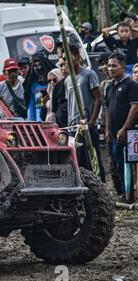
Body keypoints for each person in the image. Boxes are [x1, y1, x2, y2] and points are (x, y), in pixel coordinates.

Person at [64, 44, 105, 181]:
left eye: (68, 57)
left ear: (76, 56)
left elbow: (98, 99)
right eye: (63, 58)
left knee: (94, 157)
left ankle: (101, 185)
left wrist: (92, 121)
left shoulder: (88, 74)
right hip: (73, 127)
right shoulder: (68, 80)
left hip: (86, 124)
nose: (66, 61)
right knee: (78, 159)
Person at [105, 53, 138, 201]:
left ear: (123, 67)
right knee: (115, 164)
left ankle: (129, 194)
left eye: (114, 65)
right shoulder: (109, 86)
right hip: (112, 133)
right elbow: (107, 109)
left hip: (126, 132)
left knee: (125, 164)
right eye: (109, 65)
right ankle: (121, 192)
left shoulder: (131, 84)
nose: (110, 68)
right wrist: (106, 130)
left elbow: (135, 107)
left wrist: (124, 129)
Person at [24, 53, 56, 121]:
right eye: (35, 66)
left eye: (40, 65)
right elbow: (31, 108)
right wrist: (31, 125)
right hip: (39, 124)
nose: (38, 68)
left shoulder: (53, 81)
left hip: (53, 121)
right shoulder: (32, 85)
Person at [51, 58, 69, 128]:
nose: (63, 68)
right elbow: (54, 109)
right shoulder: (58, 86)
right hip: (61, 125)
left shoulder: (78, 82)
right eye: (61, 66)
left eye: (65, 65)